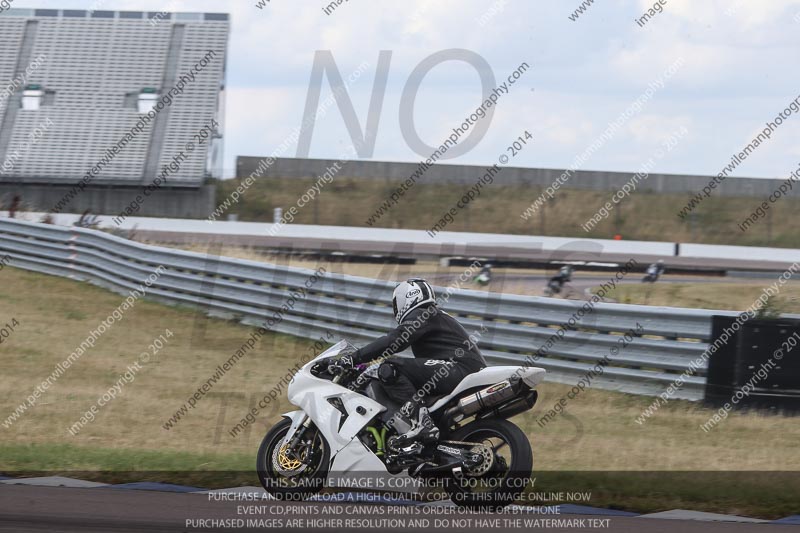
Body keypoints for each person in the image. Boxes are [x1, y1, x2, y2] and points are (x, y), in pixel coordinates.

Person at [344, 279, 487, 448]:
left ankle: (421, 423)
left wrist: (354, 358)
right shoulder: (435, 315)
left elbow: (394, 341)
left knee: (390, 367)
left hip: (457, 369)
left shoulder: (423, 314)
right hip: (463, 370)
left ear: (404, 299)